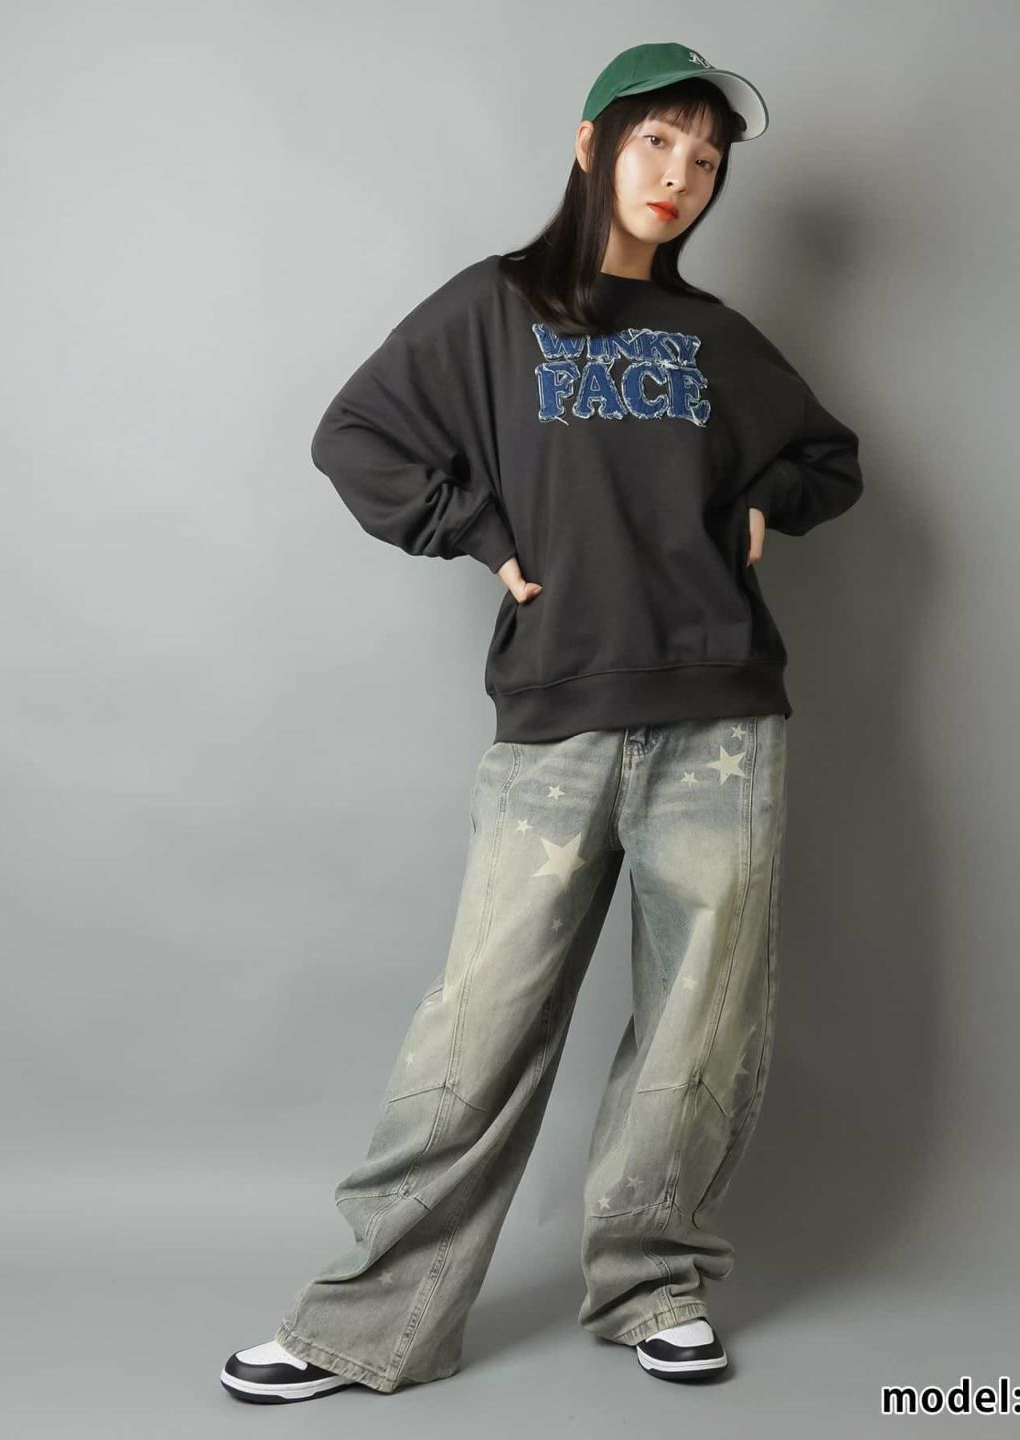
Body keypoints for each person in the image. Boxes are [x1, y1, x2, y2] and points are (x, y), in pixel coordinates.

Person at [220, 39, 863, 1404]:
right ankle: (372, 1320)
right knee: (478, 1032)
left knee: (699, 1031)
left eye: (706, 158)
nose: (680, 174)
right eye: (657, 141)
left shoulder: (714, 339)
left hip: (721, 720)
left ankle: (651, 1283)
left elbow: (828, 457)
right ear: (591, 146)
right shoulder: (494, 308)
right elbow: (356, 434)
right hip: (558, 713)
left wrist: (769, 501)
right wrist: (477, 531)